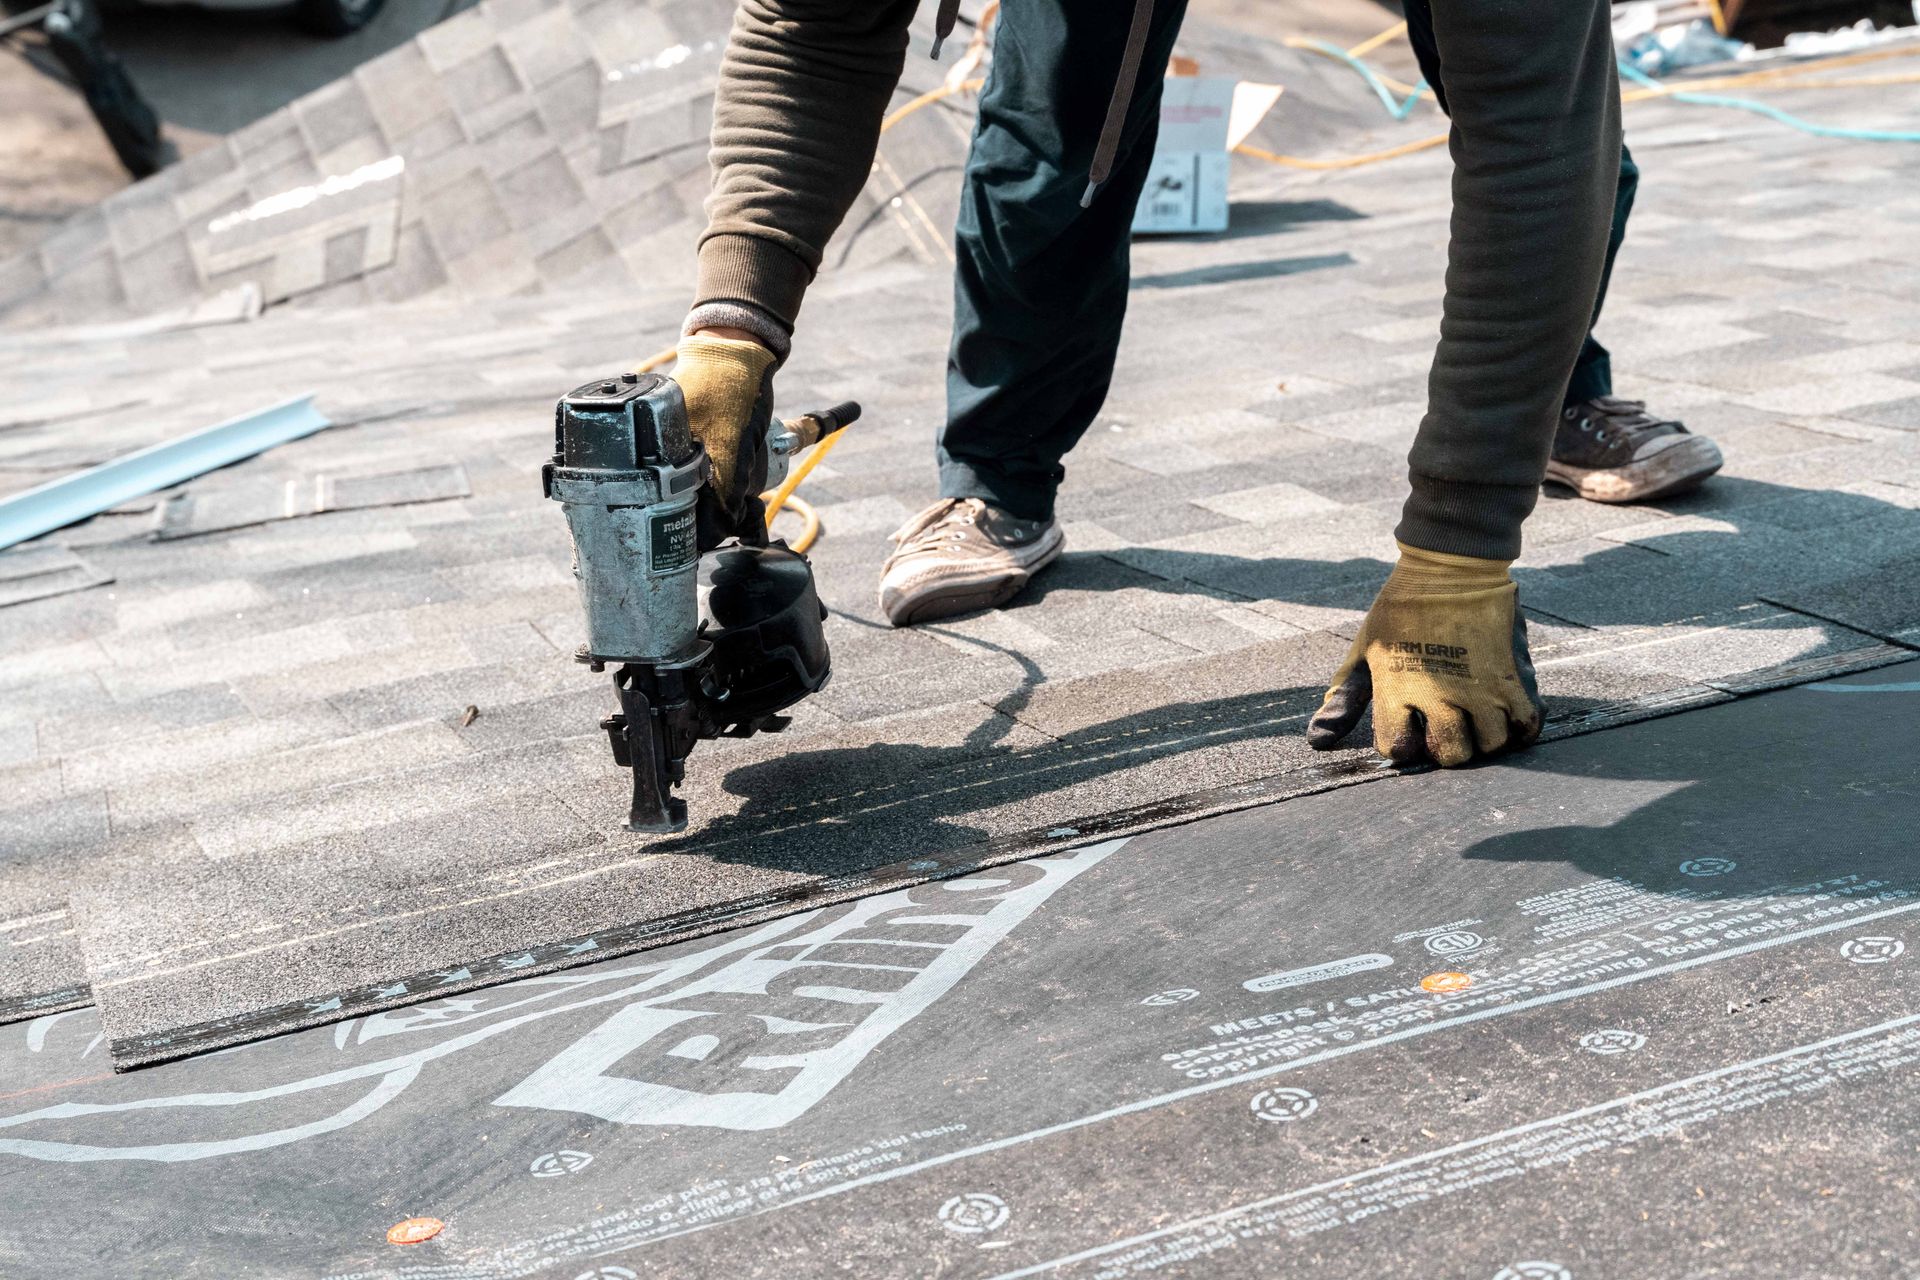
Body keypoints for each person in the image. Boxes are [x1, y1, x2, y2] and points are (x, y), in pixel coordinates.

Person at [670, 0, 1628, 768]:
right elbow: (815, 29)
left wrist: (1458, 547)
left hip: (1533, 117)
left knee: (1567, 137)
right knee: (1059, 135)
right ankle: (998, 481)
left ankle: (1547, 400)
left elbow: (1535, 140)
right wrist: (732, 324)